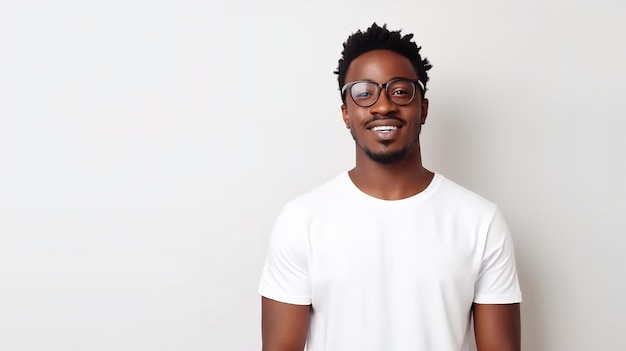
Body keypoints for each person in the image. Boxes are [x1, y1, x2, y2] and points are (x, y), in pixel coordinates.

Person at [258, 23, 522, 351]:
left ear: (423, 108)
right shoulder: (302, 220)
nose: (384, 106)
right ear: (346, 114)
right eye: (364, 93)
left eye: (400, 91)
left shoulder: (480, 221)